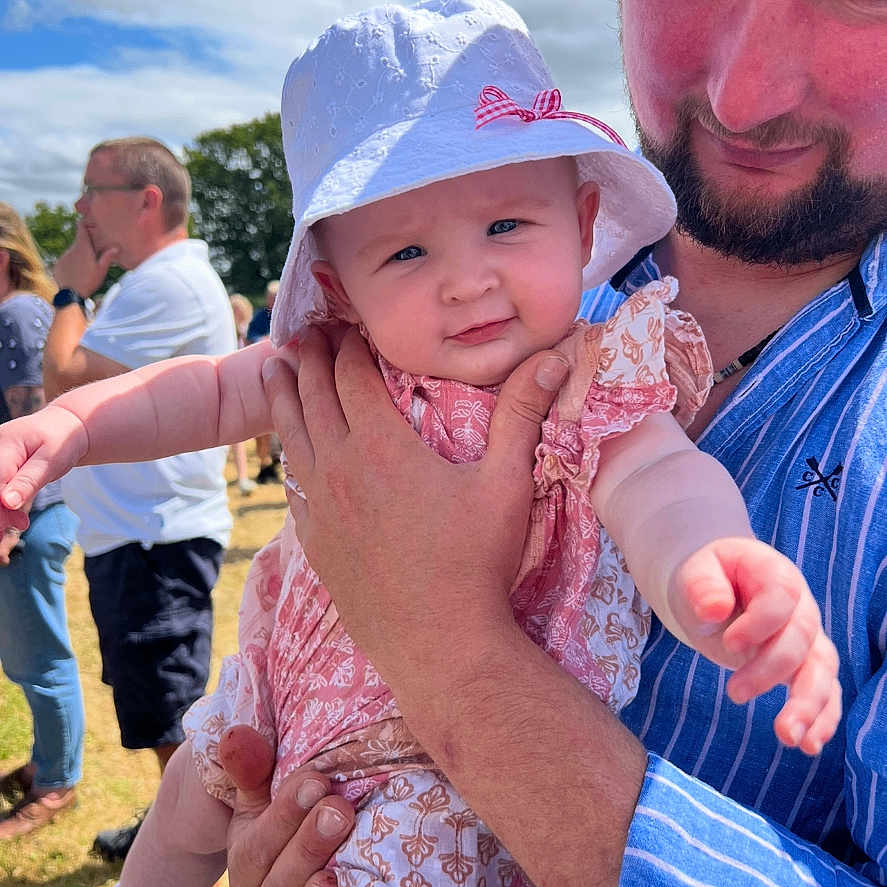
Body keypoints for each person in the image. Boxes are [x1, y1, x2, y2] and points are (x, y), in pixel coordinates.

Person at [0, 2, 841, 883]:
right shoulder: (333, 358)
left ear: (584, 223)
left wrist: (709, 565)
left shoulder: (591, 377)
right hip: (284, 698)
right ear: (339, 287)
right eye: (405, 253)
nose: (465, 280)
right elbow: (198, 391)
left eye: (505, 227)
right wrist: (69, 427)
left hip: (442, 771)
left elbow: (661, 479)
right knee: (182, 805)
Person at [42, 136, 237, 860]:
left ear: (146, 200)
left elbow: (63, 373)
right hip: (143, 528)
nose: (79, 205)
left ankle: (188, 850)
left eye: (93, 188)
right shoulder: (157, 279)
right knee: (157, 704)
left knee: (170, 713)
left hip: (155, 532)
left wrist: (68, 288)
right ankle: (169, 830)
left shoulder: (168, 282)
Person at [0, 204, 82, 841]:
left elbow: (31, 429)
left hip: (28, 515)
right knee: (26, 655)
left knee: (42, 656)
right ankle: (46, 762)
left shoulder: (18, 314)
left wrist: (10, 520)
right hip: (21, 514)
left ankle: (58, 784)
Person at [246, 280, 282, 485]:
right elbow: (251, 338)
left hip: (284, 373)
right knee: (263, 425)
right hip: (262, 374)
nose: (274, 301)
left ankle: (276, 462)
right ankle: (265, 464)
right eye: (271, 298)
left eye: (276, 297)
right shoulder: (260, 317)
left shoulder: (288, 312)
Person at [228, 293, 257, 496]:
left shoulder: (246, 330)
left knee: (237, 435)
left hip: (241, 382)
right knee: (234, 434)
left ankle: (243, 477)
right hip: (231, 383)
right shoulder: (224, 330)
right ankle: (242, 477)